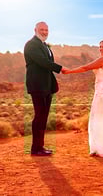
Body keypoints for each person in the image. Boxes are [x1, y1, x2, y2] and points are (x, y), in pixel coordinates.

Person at [24, 21, 67, 156]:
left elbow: (47, 63)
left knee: (43, 117)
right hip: (37, 85)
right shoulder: (31, 45)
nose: (44, 32)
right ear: (35, 30)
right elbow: (43, 62)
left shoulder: (44, 45)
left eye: (46, 30)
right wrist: (60, 69)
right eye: (42, 29)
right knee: (39, 117)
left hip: (47, 86)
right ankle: (36, 148)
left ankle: (39, 147)